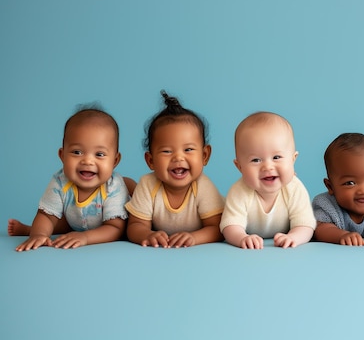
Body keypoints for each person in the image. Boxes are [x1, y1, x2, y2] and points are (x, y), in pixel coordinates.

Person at [11, 106, 131, 251]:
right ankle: (30, 230)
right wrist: (38, 234)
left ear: (115, 161)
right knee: (57, 220)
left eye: (99, 154)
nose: (87, 161)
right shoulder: (60, 181)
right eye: (77, 152)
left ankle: (132, 186)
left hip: (114, 225)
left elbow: (115, 228)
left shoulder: (113, 186)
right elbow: (47, 216)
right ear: (62, 156)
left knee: (129, 189)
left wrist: (85, 237)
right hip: (75, 222)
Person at [125, 90, 224, 248]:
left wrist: (194, 238)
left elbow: (218, 228)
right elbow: (135, 226)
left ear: (204, 155)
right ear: (151, 161)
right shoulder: (148, 184)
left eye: (188, 150)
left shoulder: (202, 186)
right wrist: (147, 234)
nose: (178, 158)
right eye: (167, 151)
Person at [220, 111, 316, 249]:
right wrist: (242, 238)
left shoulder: (294, 188)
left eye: (276, 157)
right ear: (239, 167)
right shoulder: (239, 191)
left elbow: (305, 225)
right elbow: (230, 226)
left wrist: (293, 237)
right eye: (256, 160)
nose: (267, 167)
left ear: (293, 159)